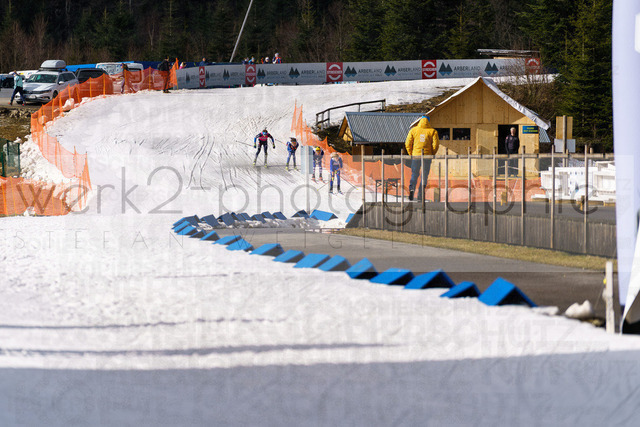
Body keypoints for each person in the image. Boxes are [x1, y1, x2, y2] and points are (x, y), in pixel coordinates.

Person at [405, 115, 439, 201]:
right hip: (427, 156)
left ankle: (412, 189)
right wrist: (432, 154)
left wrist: (411, 153)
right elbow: (435, 145)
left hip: (416, 156)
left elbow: (408, 143)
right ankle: (420, 194)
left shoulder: (413, 130)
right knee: (424, 175)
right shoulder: (432, 131)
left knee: (414, 174)